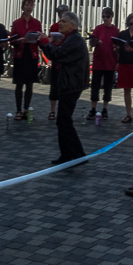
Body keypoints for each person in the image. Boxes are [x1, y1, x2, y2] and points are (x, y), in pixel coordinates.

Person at [39, 10, 89, 165]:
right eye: (60, 21)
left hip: (71, 84)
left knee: (64, 120)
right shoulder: (70, 38)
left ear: (73, 25)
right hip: (69, 83)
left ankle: (76, 154)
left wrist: (45, 43)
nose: (60, 24)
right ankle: (69, 154)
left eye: (64, 22)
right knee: (63, 120)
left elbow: (58, 54)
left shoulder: (74, 39)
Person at [10, 0, 42, 121]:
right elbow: (12, 40)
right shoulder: (17, 22)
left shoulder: (36, 22)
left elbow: (40, 37)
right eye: (27, 5)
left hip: (32, 54)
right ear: (23, 7)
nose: (29, 7)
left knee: (29, 84)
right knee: (19, 83)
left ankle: (26, 109)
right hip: (20, 54)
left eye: (31, 5)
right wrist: (19, 41)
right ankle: (18, 110)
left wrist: (38, 38)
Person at [87, 8, 118, 120]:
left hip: (110, 62)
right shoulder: (98, 28)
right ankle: (93, 108)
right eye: (103, 16)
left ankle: (105, 109)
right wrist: (95, 41)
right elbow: (92, 43)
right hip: (98, 61)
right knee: (95, 86)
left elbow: (117, 45)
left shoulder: (115, 30)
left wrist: (117, 52)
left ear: (111, 17)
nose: (105, 19)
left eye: (107, 16)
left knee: (108, 87)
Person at [46, 4, 70, 120]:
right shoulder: (54, 26)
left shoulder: (70, 27)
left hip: (66, 59)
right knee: (54, 85)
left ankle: (64, 110)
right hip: (57, 57)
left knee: (65, 86)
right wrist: (52, 41)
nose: (62, 14)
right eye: (61, 13)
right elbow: (50, 41)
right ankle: (52, 110)